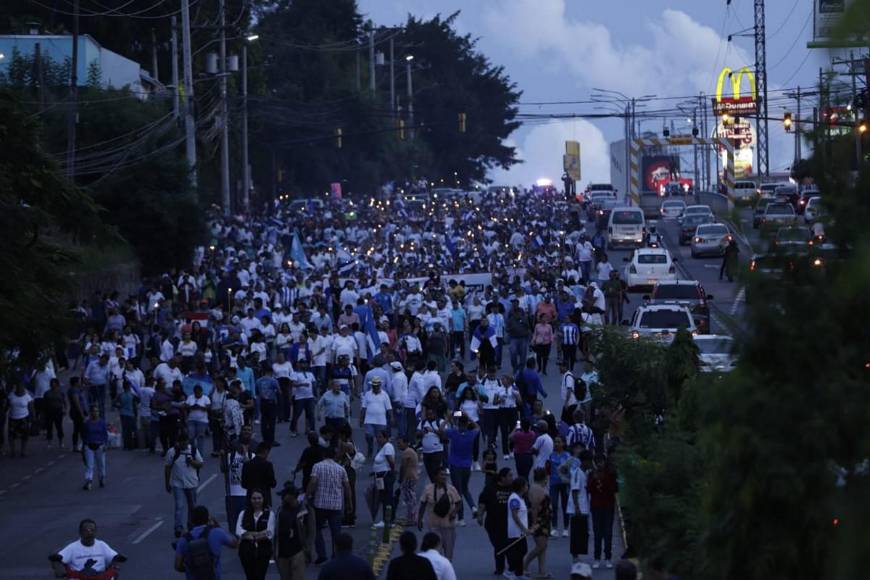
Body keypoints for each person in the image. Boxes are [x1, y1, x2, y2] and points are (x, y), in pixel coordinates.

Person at [307, 445, 351, 564]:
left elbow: (313, 482)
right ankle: (336, 555)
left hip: (320, 504)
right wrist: (349, 503)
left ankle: (321, 554)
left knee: (316, 529)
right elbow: (347, 487)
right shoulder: (340, 469)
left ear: (323, 455)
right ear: (334, 456)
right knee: (336, 532)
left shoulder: (317, 466)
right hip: (336, 505)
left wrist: (308, 495)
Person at [174, 505, 239, 580]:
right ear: (208, 518)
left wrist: (191, 569)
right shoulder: (217, 532)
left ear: (192, 520)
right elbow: (235, 544)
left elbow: (177, 566)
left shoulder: (183, 539)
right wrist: (217, 525)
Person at [50, 519, 125, 579]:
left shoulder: (101, 545)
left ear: (96, 532)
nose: (90, 533)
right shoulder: (73, 547)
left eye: (92, 530)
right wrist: (59, 569)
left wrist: (116, 562)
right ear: (80, 532)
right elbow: (57, 559)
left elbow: (114, 557)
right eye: (86, 530)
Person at [165, 431, 204, 537]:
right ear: (178, 442)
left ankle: (191, 525)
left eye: (186, 443)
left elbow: (200, 464)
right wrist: (167, 483)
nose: (184, 445)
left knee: (192, 506)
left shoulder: (193, 450)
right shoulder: (172, 452)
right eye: (182, 443)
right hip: (178, 484)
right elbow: (167, 467)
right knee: (179, 505)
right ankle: (178, 527)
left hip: (192, 483)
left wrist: (192, 462)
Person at [417, 467, 461, 559]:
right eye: (441, 474)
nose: (444, 477)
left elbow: (458, 503)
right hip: (434, 526)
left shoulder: (451, 489)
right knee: (435, 553)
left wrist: (454, 513)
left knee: (448, 553)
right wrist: (419, 519)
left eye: (445, 475)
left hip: (448, 526)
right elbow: (423, 504)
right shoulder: (428, 489)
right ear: (435, 476)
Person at [477, 467, 513, 575]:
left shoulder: (512, 488)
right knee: (499, 545)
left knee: (509, 545)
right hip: (493, 524)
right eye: (510, 476)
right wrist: (480, 516)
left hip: (509, 523)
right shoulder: (490, 488)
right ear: (502, 478)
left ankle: (512, 566)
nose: (512, 478)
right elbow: (482, 503)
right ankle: (500, 568)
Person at [445, 411, 479, 524]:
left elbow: (440, 430)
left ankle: (461, 518)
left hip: (455, 465)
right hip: (467, 465)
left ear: (458, 423)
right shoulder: (471, 434)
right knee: (465, 488)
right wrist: (469, 417)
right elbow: (478, 427)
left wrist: (447, 418)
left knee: (457, 491)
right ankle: (473, 507)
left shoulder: (454, 433)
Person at [236, 489, 276, 580]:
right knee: (250, 576)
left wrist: (249, 535)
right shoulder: (243, 513)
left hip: (263, 551)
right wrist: (259, 534)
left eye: (259, 498)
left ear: (263, 499)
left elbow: (269, 533)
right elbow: (239, 531)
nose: (257, 501)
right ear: (250, 499)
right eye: (254, 498)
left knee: (260, 576)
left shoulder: (270, 514)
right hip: (246, 551)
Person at [588, 454, 619, 569]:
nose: (600, 464)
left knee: (608, 532)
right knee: (597, 533)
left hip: (608, 506)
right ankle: (596, 557)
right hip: (596, 506)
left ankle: (608, 557)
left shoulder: (610, 474)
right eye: (598, 461)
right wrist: (594, 479)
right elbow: (589, 489)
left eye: (602, 461)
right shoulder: (592, 474)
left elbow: (615, 489)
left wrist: (604, 480)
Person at [274, 484, 308, 580]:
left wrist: (307, 550)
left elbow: (311, 531)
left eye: (283, 495)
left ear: (291, 496)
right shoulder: (280, 510)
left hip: (298, 551)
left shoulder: (304, 510)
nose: (282, 498)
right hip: (282, 553)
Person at [523, 467, 552, 579]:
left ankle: (542, 571)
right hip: (539, 521)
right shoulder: (536, 489)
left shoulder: (540, 487)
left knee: (543, 547)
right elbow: (534, 508)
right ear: (544, 477)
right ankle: (524, 564)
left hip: (544, 520)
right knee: (541, 546)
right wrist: (534, 524)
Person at [567, 449, 594, 562]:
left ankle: (578, 554)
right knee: (576, 532)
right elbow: (574, 490)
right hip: (578, 508)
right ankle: (575, 555)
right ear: (584, 461)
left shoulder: (586, 473)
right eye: (589, 461)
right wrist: (576, 507)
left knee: (583, 532)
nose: (591, 464)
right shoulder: (577, 473)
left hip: (584, 506)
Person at [224, 433, 254, 530]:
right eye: (241, 444)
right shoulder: (230, 456)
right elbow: (223, 470)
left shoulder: (252, 456)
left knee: (244, 524)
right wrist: (221, 458)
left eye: (246, 444)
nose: (242, 447)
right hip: (231, 494)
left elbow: (251, 469)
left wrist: (245, 454)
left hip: (245, 494)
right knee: (232, 523)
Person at [506, 477, 532, 579]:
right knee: (518, 552)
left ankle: (519, 573)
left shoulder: (520, 498)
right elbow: (515, 516)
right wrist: (524, 529)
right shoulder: (514, 498)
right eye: (526, 485)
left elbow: (522, 513)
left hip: (520, 531)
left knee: (522, 551)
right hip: (516, 531)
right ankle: (511, 571)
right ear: (521, 487)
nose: (527, 487)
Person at [359, 375, 391, 457]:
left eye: (377, 385)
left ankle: (379, 452)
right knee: (368, 435)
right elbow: (364, 407)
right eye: (374, 385)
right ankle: (370, 447)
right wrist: (361, 419)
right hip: (369, 419)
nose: (375, 387)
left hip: (381, 420)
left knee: (380, 438)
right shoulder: (367, 394)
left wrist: (392, 418)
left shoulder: (385, 395)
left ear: (380, 385)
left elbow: (389, 408)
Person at [371, 430, 396, 528]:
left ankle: (388, 520)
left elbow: (391, 461)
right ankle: (387, 519)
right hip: (380, 476)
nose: (378, 439)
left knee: (387, 498)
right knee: (384, 498)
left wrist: (392, 471)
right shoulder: (382, 448)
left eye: (380, 437)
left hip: (385, 476)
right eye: (377, 437)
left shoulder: (388, 446)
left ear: (386, 438)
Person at [242, 441, 278, 508]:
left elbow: (243, 484)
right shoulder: (268, 465)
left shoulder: (247, 464)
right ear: (266, 451)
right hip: (265, 499)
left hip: (251, 499)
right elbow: (273, 484)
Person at [81, 404, 108, 490]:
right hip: (89, 446)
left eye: (97, 411)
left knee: (101, 465)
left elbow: (105, 435)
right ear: (90, 413)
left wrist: (105, 444)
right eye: (93, 411)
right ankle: (89, 480)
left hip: (100, 446)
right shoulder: (87, 423)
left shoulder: (102, 423)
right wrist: (84, 446)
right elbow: (83, 435)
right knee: (90, 465)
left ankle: (101, 478)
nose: (95, 413)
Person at [549, 435, 571, 537]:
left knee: (565, 505)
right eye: (555, 442)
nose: (556, 444)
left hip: (564, 484)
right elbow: (548, 469)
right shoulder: (551, 455)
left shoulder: (567, 456)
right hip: (553, 483)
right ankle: (554, 527)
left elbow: (570, 471)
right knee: (553, 505)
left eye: (558, 442)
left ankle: (566, 528)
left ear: (563, 444)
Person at [417, 406, 447, 483]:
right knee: (429, 472)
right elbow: (417, 434)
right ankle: (434, 486)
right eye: (428, 414)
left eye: (431, 414)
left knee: (436, 471)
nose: (429, 416)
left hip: (437, 451)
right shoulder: (423, 422)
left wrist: (432, 430)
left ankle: (438, 487)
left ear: (435, 414)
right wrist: (422, 432)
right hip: (426, 452)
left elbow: (444, 434)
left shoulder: (440, 422)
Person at [290, 358, 316, 437]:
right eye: (303, 363)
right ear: (299, 364)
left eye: (305, 363)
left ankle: (310, 429)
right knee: (296, 414)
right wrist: (301, 385)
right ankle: (294, 430)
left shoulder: (310, 374)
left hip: (310, 396)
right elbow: (293, 384)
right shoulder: (295, 374)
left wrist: (316, 395)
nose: (304, 365)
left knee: (310, 414)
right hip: (299, 397)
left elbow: (314, 384)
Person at [396, 435, 419, 524]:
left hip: (409, 477)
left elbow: (403, 467)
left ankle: (412, 518)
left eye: (400, 443)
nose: (398, 445)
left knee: (409, 498)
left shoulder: (407, 452)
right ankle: (412, 516)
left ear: (406, 443)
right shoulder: (410, 451)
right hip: (412, 476)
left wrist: (401, 479)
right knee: (411, 497)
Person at [7, 382, 34, 457]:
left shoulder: (27, 396)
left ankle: (23, 451)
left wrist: (32, 419)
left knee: (24, 436)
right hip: (13, 418)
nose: (19, 389)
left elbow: (31, 408)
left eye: (21, 387)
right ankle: (12, 451)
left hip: (24, 418)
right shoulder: (11, 395)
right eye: (18, 387)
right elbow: (7, 405)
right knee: (11, 436)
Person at [255, 365, 279, 447]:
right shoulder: (273, 380)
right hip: (271, 402)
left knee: (264, 421)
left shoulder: (258, 381)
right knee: (272, 422)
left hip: (262, 402)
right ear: (271, 372)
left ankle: (265, 440)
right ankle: (271, 440)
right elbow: (279, 391)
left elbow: (257, 392)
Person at [185, 384, 211, 455]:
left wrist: (200, 407)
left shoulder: (205, 398)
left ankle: (199, 454)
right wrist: (192, 406)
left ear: (201, 392)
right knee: (191, 436)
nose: (197, 394)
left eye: (199, 392)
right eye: (196, 392)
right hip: (191, 420)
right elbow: (186, 405)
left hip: (202, 421)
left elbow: (208, 407)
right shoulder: (190, 397)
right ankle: (191, 451)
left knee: (200, 437)